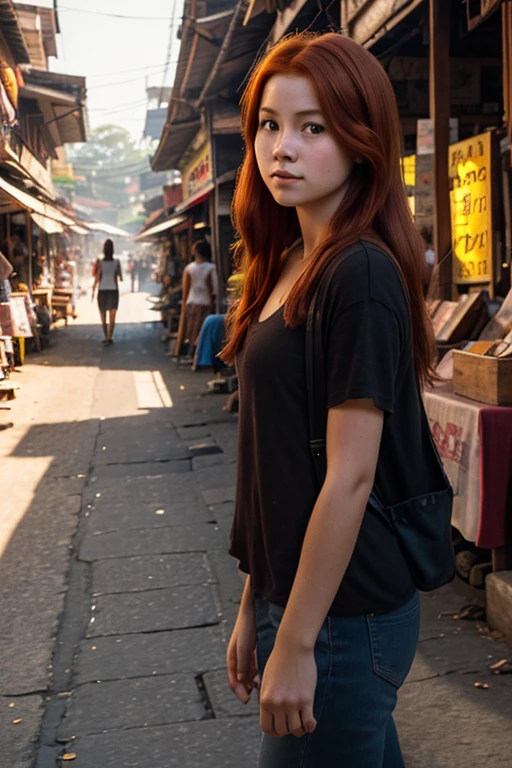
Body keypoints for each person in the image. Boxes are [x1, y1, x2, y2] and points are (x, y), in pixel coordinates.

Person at [221, 32, 446, 767]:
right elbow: (280, 463)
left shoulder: (361, 275)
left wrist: (296, 641)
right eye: (269, 124)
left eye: (312, 127)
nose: (282, 146)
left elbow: (349, 476)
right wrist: (256, 604)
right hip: (306, 601)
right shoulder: (288, 261)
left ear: (361, 140)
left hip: (348, 615)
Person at [181, 240, 218, 358]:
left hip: (191, 302)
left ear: (195, 252)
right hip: (205, 303)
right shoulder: (211, 268)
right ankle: (202, 356)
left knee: (191, 330)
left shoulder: (189, 268)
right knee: (203, 331)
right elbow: (216, 288)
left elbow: (185, 289)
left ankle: (191, 354)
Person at [92, 239, 122, 345]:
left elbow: (97, 277)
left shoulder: (100, 262)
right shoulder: (117, 262)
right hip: (113, 290)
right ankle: (109, 337)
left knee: (103, 315)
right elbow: (120, 277)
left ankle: (106, 336)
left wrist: (93, 289)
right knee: (112, 316)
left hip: (102, 290)